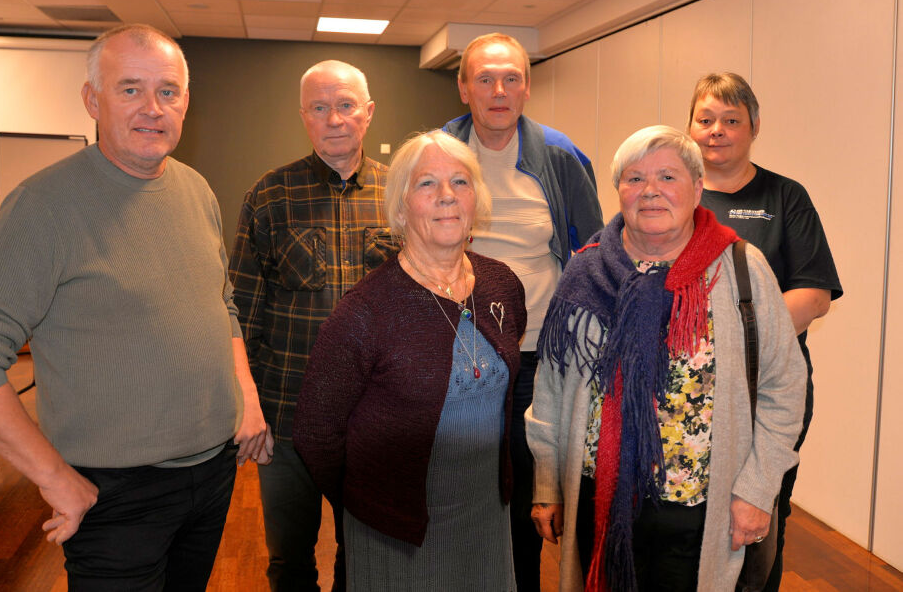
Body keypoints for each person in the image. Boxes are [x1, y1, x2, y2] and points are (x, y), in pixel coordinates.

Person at [0, 23, 272, 590]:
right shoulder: (45, 204)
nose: (152, 108)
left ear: (186, 101)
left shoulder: (194, 189)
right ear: (92, 99)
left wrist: (247, 400)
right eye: (129, 89)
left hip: (211, 474)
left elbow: (222, 303)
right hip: (114, 493)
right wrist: (53, 476)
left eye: (168, 91)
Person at [527, 125, 807, 591]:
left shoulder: (740, 268)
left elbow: (784, 387)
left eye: (668, 177)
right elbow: (552, 391)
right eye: (634, 178)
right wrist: (547, 486)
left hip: (702, 510)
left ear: (697, 188)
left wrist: (757, 490)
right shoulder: (584, 271)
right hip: (600, 501)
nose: (650, 191)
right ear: (618, 191)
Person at [293, 130, 526, 591]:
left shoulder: (502, 285)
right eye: (427, 184)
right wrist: (370, 500)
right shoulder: (364, 311)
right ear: (400, 209)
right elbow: (316, 431)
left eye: (460, 182)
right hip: (397, 530)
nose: (447, 197)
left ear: (476, 200)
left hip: (486, 513)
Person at [443, 32, 603, 591]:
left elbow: (595, 249)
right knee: (458, 488)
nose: (498, 90)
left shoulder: (559, 155)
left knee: (523, 498)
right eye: (484, 78)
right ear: (464, 87)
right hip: (457, 349)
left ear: (527, 88)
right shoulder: (441, 151)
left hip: (536, 356)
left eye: (511, 78)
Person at [229, 59, 398, 591]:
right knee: (289, 561)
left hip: (376, 418)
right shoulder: (270, 196)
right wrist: (247, 403)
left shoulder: (403, 195)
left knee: (369, 558)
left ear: (368, 113)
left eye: (345, 105)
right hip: (287, 415)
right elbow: (240, 310)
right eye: (319, 108)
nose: (334, 119)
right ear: (303, 116)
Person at [689, 72, 842, 590]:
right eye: (705, 119)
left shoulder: (785, 196)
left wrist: (736, 342)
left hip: (768, 392)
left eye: (731, 120)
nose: (717, 131)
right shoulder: (672, 193)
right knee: (687, 518)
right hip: (686, 393)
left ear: (754, 127)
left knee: (757, 520)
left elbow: (814, 294)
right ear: (690, 127)